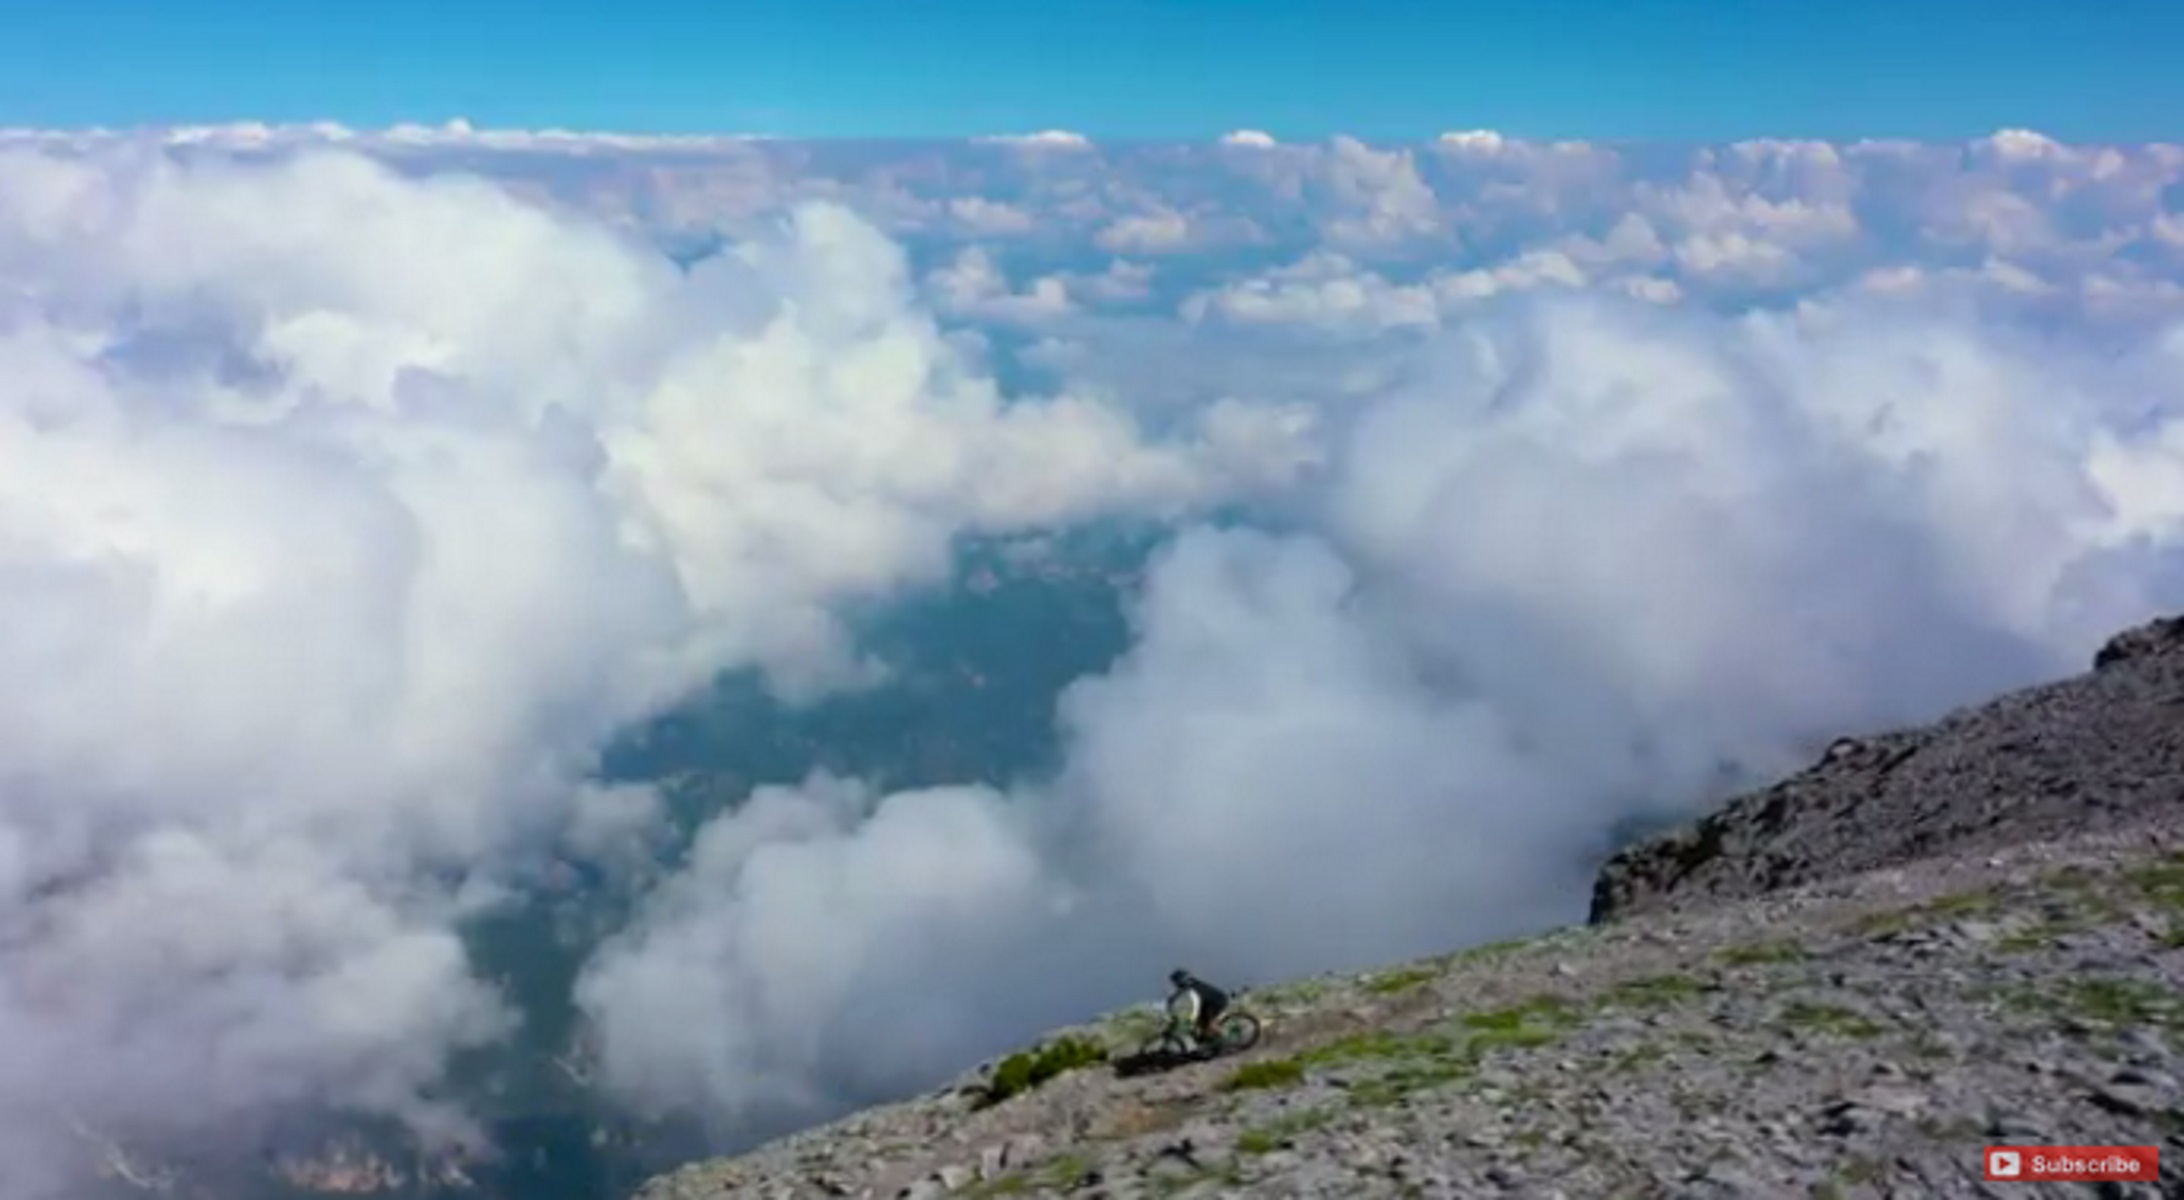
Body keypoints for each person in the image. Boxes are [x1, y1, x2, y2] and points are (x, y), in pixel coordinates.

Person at [1165, 968, 1229, 1048]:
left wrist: (1191, 1017)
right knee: (1201, 1023)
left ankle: (1223, 1039)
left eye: (1175, 982)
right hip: (1208, 1003)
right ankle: (1209, 1038)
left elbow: (1195, 1005)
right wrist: (1172, 999)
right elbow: (1180, 993)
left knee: (1209, 1024)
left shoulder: (1193, 990)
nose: (1175, 984)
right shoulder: (1191, 983)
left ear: (1181, 980)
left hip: (1216, 1002)